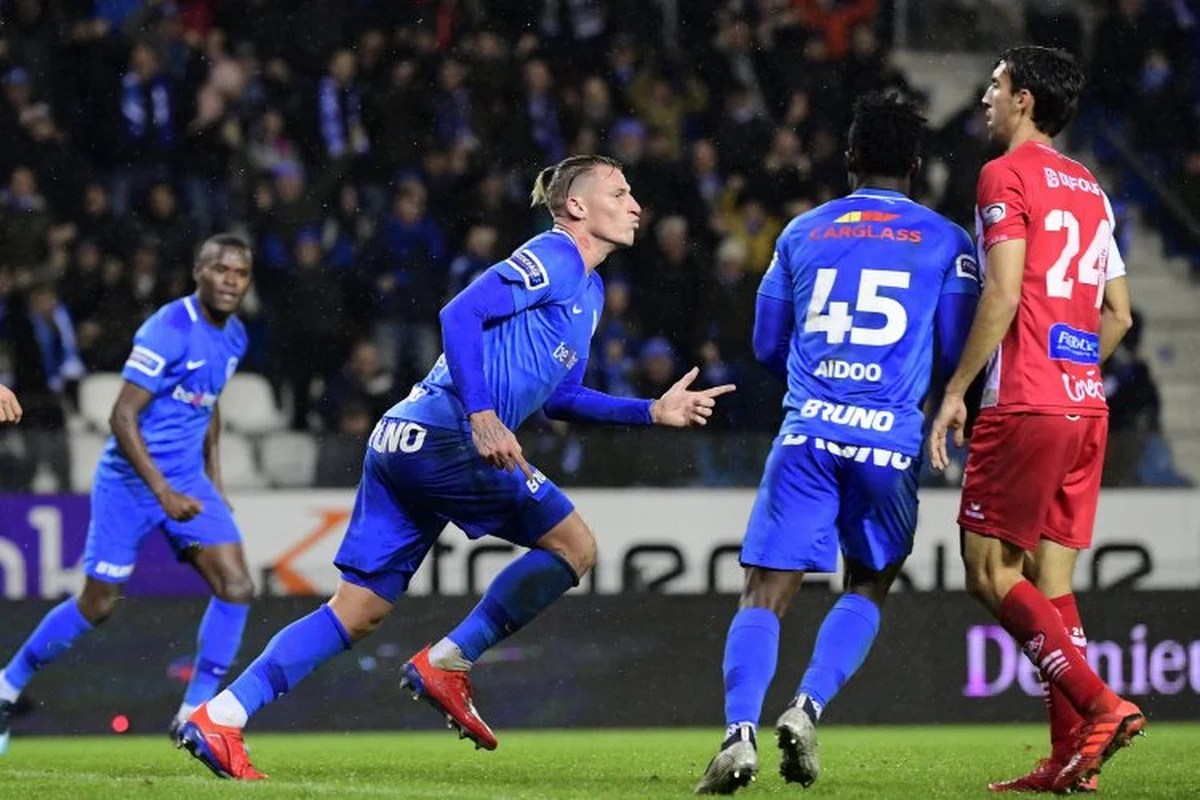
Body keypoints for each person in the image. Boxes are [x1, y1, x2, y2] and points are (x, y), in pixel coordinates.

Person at [179, 155, 736, 781]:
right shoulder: (553, 255)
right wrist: (481, 416)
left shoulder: (591, 289)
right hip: (446, 433)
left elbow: (559, 397)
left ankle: (221, 716)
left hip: (400, 441)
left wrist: (651, 411)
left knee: (357, 610)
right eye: (620, 191)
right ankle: (448, 660)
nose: (636, 204)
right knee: (573, 545)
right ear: (577, 207)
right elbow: (458, 314)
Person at [696, 92, 980, 794]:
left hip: (809, 432)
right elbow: (953, 347)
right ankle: (808, 705)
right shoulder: (948, 240)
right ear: (916, 163)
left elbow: (766, 343)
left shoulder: (800, 232)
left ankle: (739, 735)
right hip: (889, 440)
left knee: (765, 591)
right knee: (869, 583)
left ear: (850, 158)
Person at [928, 46, 1140, 794]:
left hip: (1024, 400)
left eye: (995, 85)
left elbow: (1004, 293)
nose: (985, 96)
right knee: (1050, 586)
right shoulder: (1092, 187)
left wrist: (956, 390)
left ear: (1023, 100)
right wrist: (1073, 364)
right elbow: (1119, 313)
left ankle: (1102, 704)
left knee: (987, 570)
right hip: (1085, 405)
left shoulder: (1003, 175)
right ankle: (1069, 758)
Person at [0, 235, 255, 756]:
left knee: (237, 585)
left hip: (185, 480)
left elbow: (209, 404)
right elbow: (121, 416)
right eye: (221, 269)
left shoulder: (235, 338)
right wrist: (161, 492)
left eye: (241, 273)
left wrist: (215, 478)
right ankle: (7, 685)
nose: (231, 280)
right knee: (98, 605)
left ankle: (194, 714)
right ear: (199, 272)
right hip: (129, 483)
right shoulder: (168, 329)